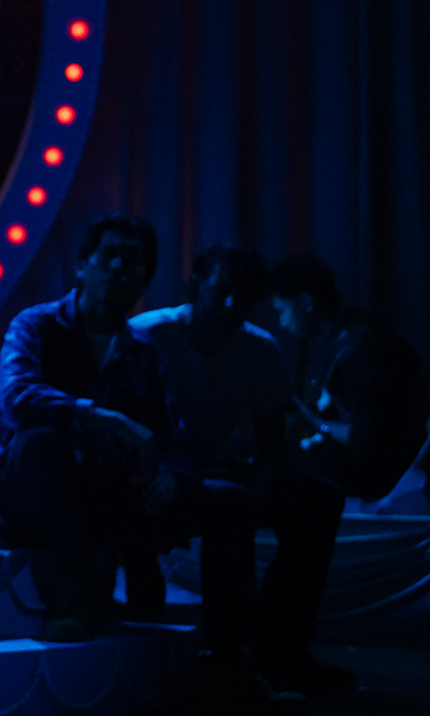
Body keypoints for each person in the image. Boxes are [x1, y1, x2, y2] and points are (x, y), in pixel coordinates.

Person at [0, 215, 276, 704]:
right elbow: (17, 398)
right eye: (110, 256)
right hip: (33, 497)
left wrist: (172, 476)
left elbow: (173, 438)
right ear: (82, 265)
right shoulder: (35, 325)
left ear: (144, 281)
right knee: (39, 442)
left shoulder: (143, 351)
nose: (120, 269)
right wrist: (102, 417)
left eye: (134, 262)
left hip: (105, 494)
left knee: (232, 503)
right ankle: (78, 584)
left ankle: (228, 658)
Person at [132, 245, 354, 696]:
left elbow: (272, 446)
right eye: (221, 292)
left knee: (319, 498)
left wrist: (259, 487)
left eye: (244, 297)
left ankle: (280, 643)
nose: (231, 305)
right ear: (197, 284)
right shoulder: (148, 335)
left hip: (214, 470)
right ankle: (227, 655)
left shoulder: (259, 348)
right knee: (228, 504)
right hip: (154, 475)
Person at [268, 252, 430, 504]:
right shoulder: (352, 332)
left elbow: (370, 437)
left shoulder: (356, 348)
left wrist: (316, 422)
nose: (282, 322)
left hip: (380, 483)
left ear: (306, 302)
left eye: (282, 310)